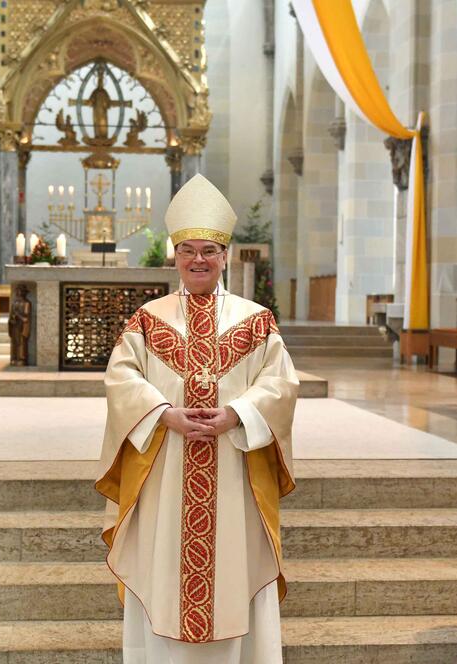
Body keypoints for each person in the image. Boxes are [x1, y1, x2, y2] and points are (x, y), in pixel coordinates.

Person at [95, 174, 298, 663]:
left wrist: (236, 414)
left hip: (235, 468)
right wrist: (164, 415)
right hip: (167, 471)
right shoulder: (149, 318)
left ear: (225, 255)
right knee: (163, 571)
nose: (199, 260)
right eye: (189, 251)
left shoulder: (255, 320)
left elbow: (281, 383)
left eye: (209, 250)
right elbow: (120, 378)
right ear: (175, 255)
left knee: (235, 568)